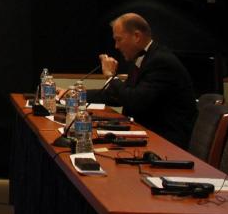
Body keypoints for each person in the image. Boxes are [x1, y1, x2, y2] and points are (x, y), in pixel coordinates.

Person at [85, 13, 198, 149]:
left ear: (137, 36)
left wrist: (110, 76)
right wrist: (75, 94)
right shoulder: (142, 58)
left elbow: (135, 101)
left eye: (118, 39)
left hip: (166, 142)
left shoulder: (160, 61)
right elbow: (119, 96)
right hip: (146, 133)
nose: (116, 46)